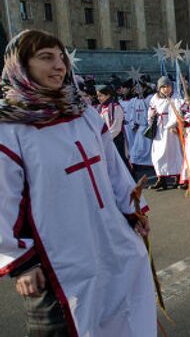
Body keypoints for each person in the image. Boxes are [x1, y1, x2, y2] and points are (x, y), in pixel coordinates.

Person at [0, 29, 155, 336]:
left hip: (107, 238)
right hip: (57, 256)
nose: (59, 66)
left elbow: (113, 169)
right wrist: (19, 262)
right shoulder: (10, 129)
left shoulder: (82, 113)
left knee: (123, 315)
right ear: (20, 64)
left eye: (61, 58)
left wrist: (131, 209)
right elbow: (3, 200)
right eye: (46, 58)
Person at [148, 76, 183, 190]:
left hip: (171, 131)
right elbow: (150, 111)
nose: (166, 89)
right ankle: (161, 178)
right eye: (163, 87)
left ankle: (178, 177)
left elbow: (179, 113)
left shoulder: (176, 98)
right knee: (158, 155)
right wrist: (152, 117)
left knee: (174, 153)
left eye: (168, 86)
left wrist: (175, 125)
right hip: (159, 129)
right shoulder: (154, 98)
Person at [96, 84, 129, 166]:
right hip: (106, 140)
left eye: (101, 96)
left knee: (120, 163)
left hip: (116, 140)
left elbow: (116, 127)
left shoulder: (115, 107)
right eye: (97, 96)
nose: (98, 98)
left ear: (108, 95)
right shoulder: (101, 108)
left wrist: (105, 137)